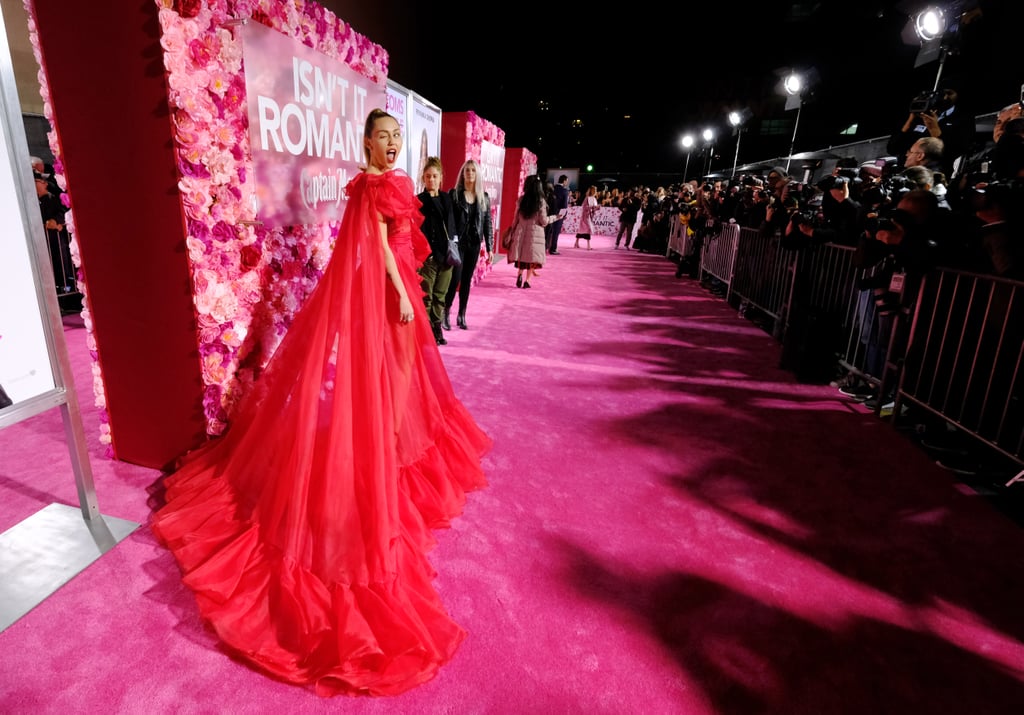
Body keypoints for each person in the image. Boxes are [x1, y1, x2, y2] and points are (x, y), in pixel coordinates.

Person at [151, 108, 491, 698]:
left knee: (407, 379)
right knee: (393, 377)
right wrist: (397, 290)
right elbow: (382, 247)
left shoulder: (394, 182)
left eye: (395, 139)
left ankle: (389, 446)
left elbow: (401, 242)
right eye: (381, 138)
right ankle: (381, 449)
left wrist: (406, 282)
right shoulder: (370, 185)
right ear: (365, 141)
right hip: (391, 294)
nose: (389, 147)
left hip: (404, 289)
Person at [444, 159, 492, 331]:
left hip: (473, 245)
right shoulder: (454, 194)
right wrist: (451, 240)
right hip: (458, 245)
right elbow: (449, 221)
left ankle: (461, 314)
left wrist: (490, 247)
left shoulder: (483, 198)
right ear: (463, 174)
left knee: (466, 281)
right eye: (467, 170)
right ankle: (446, 312)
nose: (470, 173)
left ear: (477, 174)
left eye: (473, 170)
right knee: (454, 279)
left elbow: (487, 224)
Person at [416, 156, 456, 345]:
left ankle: (437, 327)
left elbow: (452, 225)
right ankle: (426, 332)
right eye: (428, 176)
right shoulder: (419, 200)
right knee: (427, 296)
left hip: (446, 256)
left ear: (441, 178)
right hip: (428, 257)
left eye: (435, 176)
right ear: (423, 178)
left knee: (440, 295)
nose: (431, 180)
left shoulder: (447, 199)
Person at [508, 174, 558, 288]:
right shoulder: (541, 201)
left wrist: (512, 231)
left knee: (522, 256)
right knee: (532, 259)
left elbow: (515, 218)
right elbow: (544, 221)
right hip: (535, 234)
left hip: (521, 232)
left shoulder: (521, 199)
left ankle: (519, 275)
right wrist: (555, 217)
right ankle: (527, 281)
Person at [548, 174, 570, 255]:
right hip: (558, 214)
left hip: (549, 213)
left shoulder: (552, 188)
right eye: (566, 181)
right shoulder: (564, 191)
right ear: (564, 181)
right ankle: (553, 249)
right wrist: (564, 214)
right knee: (555, 232)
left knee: (549, 231)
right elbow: (564, 205)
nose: (567, 183)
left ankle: (546, 247)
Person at [573, 185, 598, 249]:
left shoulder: (593, 198)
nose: (595, 192)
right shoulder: (587, 198)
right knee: (587, 229)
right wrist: (592, 207)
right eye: (594, 190)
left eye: (595, 190)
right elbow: (584, 207)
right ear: (591, 191)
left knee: (582, 230)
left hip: (589, 216)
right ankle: (588, 245)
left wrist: (596, 208)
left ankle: (576, 243)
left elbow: (593, 208)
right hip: (585, 216)